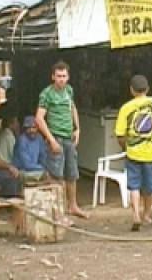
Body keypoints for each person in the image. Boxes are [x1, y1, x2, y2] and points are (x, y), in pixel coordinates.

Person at [35, 61, 88, 219]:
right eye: (58, 76)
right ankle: (59, 211)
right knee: (56, 175)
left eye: (64, 76)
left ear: (68, 77)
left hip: (69, 137)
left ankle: (73, 206)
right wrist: (51, 140)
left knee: (72, 174)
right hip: (56, 136)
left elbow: (72, 108)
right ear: (53, 77)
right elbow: (39, 118)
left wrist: (77, 128)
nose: (61, 79)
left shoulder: (69, 91)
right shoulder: (47, 94)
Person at [115, 75, 152, 231]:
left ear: (131, 90)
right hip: (151, 153)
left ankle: (136, 214)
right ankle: (147, 215)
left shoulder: (126, 108)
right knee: (149, 187)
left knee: (134, 186)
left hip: (133, 153)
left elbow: (120, 134)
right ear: (148, 89)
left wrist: (126, 147)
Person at [13, 116, 46, 181]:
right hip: (21, 170)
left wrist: (44, 167)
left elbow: (43, 157)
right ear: (24, 129)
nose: (31, 130)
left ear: (37, 128)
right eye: (28, 128)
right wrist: (42, 168)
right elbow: (26, 164)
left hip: (36, 170)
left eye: (34, 127)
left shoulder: (39, 138)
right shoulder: (22, 140)